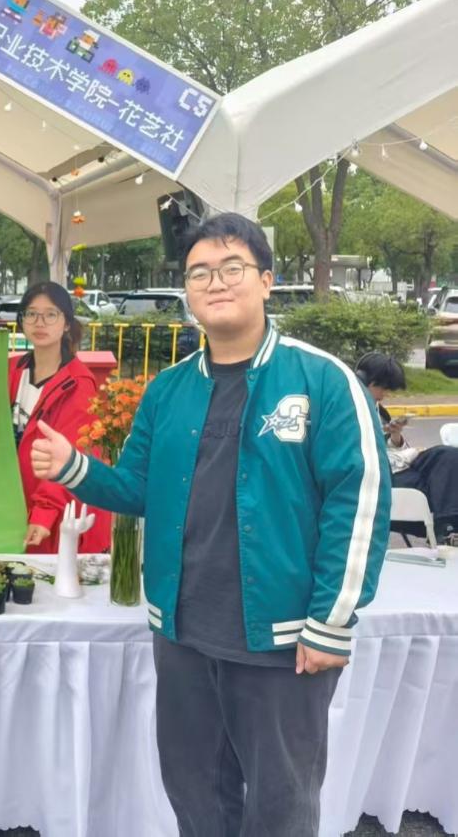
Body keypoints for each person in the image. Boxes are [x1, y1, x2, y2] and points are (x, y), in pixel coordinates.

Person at [29, 213, 390, 836]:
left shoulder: (322, 380)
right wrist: (74, 468)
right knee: (195, 793)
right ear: (188, 291)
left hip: (281, 639)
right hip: (184, 634)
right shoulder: (169, 390)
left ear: (267, 280)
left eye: (232, 268)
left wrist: (330, 623)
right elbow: (138, 488)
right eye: (200, 272)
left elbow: (357, 501)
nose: (215, 282)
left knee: (280, 805)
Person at [8, 282, 111, 553]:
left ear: (66, 323)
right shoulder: (12, 371)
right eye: (31, 313)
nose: (40, 322)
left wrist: (44, 512)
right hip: (18, 502)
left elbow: (73, 456)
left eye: (51, 314)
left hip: (59, 511)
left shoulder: (78, 384)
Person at [356, 351, 458, 541]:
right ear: (365, 381)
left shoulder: (379, 411)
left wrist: (395, 436)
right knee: (437, 485)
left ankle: (448, 528)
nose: (384, 395)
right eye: (383, 388)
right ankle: (447, 529)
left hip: (399, 464)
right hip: (381, 473)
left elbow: (390, 448)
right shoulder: (350, 410)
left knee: (448, 456)